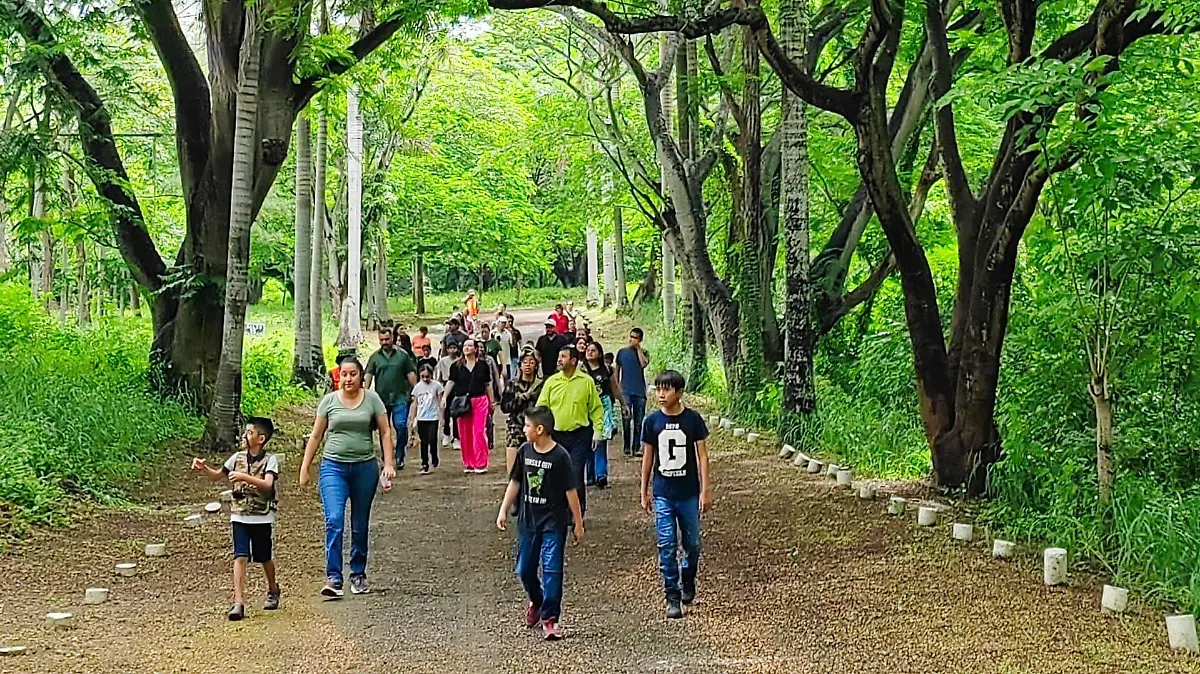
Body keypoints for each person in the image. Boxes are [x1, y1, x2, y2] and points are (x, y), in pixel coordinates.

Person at [300, 357, 395, 597]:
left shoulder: (372, 400)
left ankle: (358, 573)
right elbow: (315, 436)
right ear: (338, 377)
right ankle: (333, 577)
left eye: (353, 374)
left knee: (359, 523)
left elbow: (385, 431)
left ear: (361, 376)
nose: (348, 379)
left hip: (364, 467)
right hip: (334, 467)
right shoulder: (329, 402)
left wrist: (389, 463)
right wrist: (305, 466)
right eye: (344, 374)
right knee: (334, 519)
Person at [496, 406, 584, 641]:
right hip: (528, 520)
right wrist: (504, 509)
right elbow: (515, 482)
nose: (524, 430)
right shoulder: (525, 451)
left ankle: (550, 618)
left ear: (540, 429)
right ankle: (537, 599)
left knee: (552, 569)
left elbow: (570, 492)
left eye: (527, 426)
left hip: (553, 523)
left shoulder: (560, 457)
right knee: (524, 569)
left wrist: (578, 522)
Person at [190, 416, 281, 621]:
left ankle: (273, 588)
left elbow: (267, 485)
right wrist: (204, 468)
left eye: (250, 433)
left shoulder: (270, 460)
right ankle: (238, 602)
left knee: (264, 556)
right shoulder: (237, 458)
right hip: (239, 515)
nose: (245, 436)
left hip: (261, 516)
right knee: (240, 556)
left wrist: (243, 478)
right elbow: (217, 475)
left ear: (261, 438)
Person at [640, 369, 712, 619]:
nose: (661, 394)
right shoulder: (651, 422)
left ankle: (687, 576)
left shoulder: (692, 420)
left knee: (692, 543)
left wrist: (705, 489)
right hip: (663, 493)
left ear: (679, 393)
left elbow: (702, 456)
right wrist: (644, 490)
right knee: (666, 544)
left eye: (666, 389)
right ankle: (672, 594)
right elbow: (647, 458)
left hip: (689, 493)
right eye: (658, 389)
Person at [537, 345, 604, 516]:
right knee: (556, 475)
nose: (559, 360)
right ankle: (561, 511)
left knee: (575, 473)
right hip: (556, 436)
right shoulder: (551, 382)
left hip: (580, 435)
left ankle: (577, 513)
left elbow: (596, 408)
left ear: (573, 361)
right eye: (559, 356)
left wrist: (598, 432)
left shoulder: (586, 382)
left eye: (563, 357)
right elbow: (541, 408)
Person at [364, 327, 418, 470]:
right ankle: (386, 455)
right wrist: (364, 394)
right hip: (381, 400)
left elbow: (411, 373)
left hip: (400, 397)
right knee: (384, 429)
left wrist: (418, 391)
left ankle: (400, 455)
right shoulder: (375, 357)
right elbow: (368, 375)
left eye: (387, 339)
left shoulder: (402, 355)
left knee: (400, 426)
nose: (384, 342)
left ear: (392, 338)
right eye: (382, 340)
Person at [443, 339, 495, 473]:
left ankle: (481, 462)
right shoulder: (456, 366)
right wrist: (444, 397)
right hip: (462, 402)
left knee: (478, 431)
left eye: (470, 345)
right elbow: (451, 382)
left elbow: (488, 384)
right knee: (465, 433)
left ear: (476, 349)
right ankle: (469, 462)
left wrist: (492, 401)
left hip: (480, 399)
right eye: (465, 345)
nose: (467, 348)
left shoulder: (483, 365)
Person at [500, 352, 544, 474]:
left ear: (536, 365)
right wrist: (521, 398)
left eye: (531, 362)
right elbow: (504, 407)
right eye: (525, 362)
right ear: (519, 365)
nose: (528, 365)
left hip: (536, 426)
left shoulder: (541, 385)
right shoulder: (512, 384)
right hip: (515, 426)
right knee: (513, 466)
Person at [583, 341, 618, 489]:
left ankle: (601, 475)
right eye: (588, 350)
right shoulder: (581, 370)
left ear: (599, 353)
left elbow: (614, 387)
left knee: (601, 440)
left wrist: (623, 404)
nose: (590, 352)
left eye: (593, 350)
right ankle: (590, 476)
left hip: (603, 406)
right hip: (585, 408)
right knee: (587, 442)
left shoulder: (607, 370)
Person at [615, 327, 651, 457]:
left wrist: (638, 349)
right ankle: (626, 445)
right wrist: (617, 386)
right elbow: (617, 370)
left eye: (635, 337)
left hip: (639, 391)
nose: (632, 339)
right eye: (631, 336)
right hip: (626, 390)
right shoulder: (622, 352)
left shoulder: (644, 352)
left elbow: (643, 364)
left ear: (640, 339)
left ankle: (636, 447)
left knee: (638, 421)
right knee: (626, 417)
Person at [408, 365, 445, 474]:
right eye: (423, 377)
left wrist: (442, 417)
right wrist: (412, 418)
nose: (425, 379)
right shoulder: (417, 387)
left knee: (432, 438)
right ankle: (424, 462)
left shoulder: (436, 386)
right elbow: (415, 403)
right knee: (423, 441)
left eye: (427, 376)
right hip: (422, 417)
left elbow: (439, 401)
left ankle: (434, 456)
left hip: (433, 417)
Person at [435, 341, 462, 449]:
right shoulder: (443, 361)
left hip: (457, 387)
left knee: (456, 414)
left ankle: (456, 437)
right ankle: (446, 433)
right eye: (450, 348)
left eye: (454, 348)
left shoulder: (460, 361)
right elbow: (439, 376)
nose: (452, 350)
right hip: (445, 385)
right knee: (445, 413)